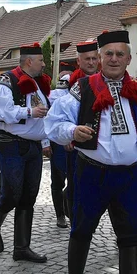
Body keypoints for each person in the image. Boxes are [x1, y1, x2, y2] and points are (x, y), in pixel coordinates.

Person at [45, 30, 137, 274]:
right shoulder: (81, 88)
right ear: (99, 57)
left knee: (131, 234)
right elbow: (54, 124)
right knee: (82, 228)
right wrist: (72, 131)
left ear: (129, 58)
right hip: (92, 172)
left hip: (128, 177)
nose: (114, 59)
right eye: (108, 54)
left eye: (119, 54)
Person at [0, 42, 51, 263]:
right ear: (29, 61)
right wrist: (30, 111)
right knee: (11, 193)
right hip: (11, 143)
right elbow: (0, 112)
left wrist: (46, 139)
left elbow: (44, 116)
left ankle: (22, 247)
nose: (44, 64)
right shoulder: (7, 81)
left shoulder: (35, 84)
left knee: (29, 196)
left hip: (33, 146)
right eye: (41, 60)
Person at [61, 41, 100, 219]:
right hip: (75, 142)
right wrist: (69, 136)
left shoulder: (105, 77)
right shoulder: (69, 82)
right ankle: (74, 218)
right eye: (87, 59)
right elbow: (60, 113)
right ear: (79, 61)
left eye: (94, 58)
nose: (91, 62)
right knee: (75, 181)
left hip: (98, 142)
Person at [47, 61, 76, 228]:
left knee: (71, 180)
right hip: (58, 142)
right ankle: (61, 214)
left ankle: (68, 212)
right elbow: (46, 120)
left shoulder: (78, 89)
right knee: (58, 180)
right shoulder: (53, 95)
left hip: (73, 142)